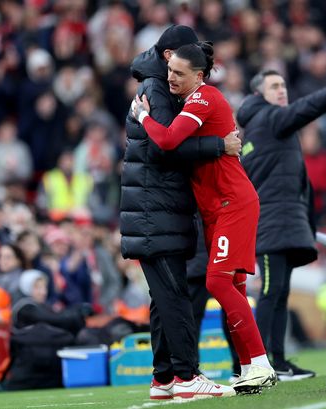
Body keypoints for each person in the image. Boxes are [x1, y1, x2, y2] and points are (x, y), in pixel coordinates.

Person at [132, 41, 276, 395]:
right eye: (169, 71)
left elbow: (166, 140)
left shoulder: (203, 97)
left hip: (233, 202)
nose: (171, 79)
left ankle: (260, 362)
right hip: (214, 208)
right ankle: (247, 368)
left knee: (217, 283)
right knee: (234, 285)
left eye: (179, 73)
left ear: (199, 76)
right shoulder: (188, 99)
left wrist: (143, 117)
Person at [120, 25, 240, 400]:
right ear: (170, 56)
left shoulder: (155, 84)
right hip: (156, 209)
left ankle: (164, 379)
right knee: (176, 295)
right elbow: (162, 148)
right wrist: (217, 145)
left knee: (163, 299)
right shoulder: (157, 88)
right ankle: (188, 376)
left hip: (156, 208)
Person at [236, 69, 326, 381]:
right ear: (259, 94)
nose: (282, 90)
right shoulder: (270, 119)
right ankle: (261, 363)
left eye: (283, 84)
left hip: (280, 221)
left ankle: (276, 362)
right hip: (272, 222)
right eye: (274, 86)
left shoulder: (262, 124)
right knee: (271, 291)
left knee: (279, 292)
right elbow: (304, 109)